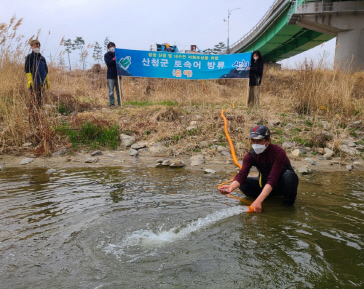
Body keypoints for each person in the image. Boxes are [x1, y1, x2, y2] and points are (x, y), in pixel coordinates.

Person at [218, 125, 299, 212]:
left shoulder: (278, 153)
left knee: (289, 176)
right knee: (243, 183)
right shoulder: (250, 155)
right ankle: (265, 197)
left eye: (259, 140)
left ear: (268, 141)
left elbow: (273, 178)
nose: (255, 144)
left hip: (282, 185)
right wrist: (232, 186)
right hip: (265, 183)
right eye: (253, 140)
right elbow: (242, 174)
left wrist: (258, 201)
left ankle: (287, 207)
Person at [25, 39, 50, 109]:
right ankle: (33, 114)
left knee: (40, 100)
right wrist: (30, 80)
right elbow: (27, 70)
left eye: (38, 45)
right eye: (35, 45)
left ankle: (39, 114)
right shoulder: (29, 57)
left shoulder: (42, 58)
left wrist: (47, 81)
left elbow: (46, 70)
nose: (37, 46)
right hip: (34, 83)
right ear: (31, 47)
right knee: (34, 100)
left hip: (42, 83)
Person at [104, 42, 122, 107]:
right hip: (110, 76)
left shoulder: (118, 54)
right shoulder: (106, 55)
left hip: (118, 74)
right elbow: (108, 63)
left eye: (113, 46)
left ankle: (120, 103)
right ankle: (112, 104)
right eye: (110, 47)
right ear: (108, 48)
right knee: (111, 91)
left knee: (119, 90)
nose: (112, 48)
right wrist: (113, 59)